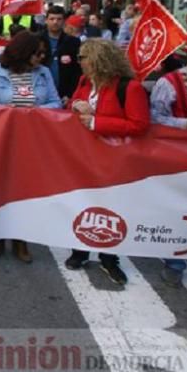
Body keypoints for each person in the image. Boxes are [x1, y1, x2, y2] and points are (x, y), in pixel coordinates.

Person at [64, 39, 150, 285]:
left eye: (83, 57)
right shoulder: (84, 82)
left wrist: (97, 121)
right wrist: (76, 106)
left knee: (111, 208)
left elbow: (140, 125)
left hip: (115, 159)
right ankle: (79, 251)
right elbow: (74, 106)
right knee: (82, 203)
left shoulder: (129, 87)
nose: (79, 62)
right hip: (85, 155)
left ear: (98, 59)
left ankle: (109, 258)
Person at [0, 31, 62, 262]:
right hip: (0, 140)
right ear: (23, 53)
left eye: (43, 53)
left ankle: (21, 239)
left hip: (33, 142)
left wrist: (37, 112)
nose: (41, 57)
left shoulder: (43, 74)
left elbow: (56, 102)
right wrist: (2, 110)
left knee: (25, 191)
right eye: (37, 53)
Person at [148, 32, 187, 287]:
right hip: (177, 158)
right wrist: (185, 123)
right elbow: (156, 117)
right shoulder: (169, 82)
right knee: (177, 208)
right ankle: (175, 261)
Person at [42, 5, 82, 102]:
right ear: (46, 20)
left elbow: (77, 70)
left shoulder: (73, 42)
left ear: (64, 21)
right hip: (41, 91)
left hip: (63, 93)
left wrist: (70, 94)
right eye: (52, 19)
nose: (55, 22)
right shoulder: (37, 40)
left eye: (59, 19)